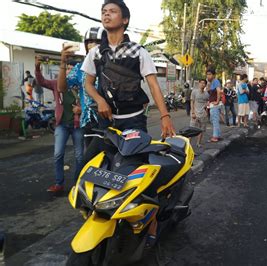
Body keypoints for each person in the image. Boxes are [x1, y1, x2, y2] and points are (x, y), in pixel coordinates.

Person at [81, 0, 175, 163]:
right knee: (87, 166)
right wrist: (100, 100)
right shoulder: (95, 53)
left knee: (135, 169)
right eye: (104, 11)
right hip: (107, 124)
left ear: (125, 20)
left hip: (134, 121)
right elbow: (87, 84)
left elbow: (153, 85)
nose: (106, 14)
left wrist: (164, 116)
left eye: (112, 11)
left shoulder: (138, 51)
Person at [35, 55, 83, 193]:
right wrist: (37, 67)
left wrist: (81, 109)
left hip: (77, 125)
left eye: (71, 69)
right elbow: (41, 81)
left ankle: (78, 184)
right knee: (58, 154)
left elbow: (92, 103)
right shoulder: (57, 83)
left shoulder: (82, 85)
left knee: (80, 155)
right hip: (61, 124)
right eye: (67, 68)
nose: (68, 71)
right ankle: (58, 183)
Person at [190, 79, 209, 147]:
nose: (202, 84)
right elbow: (192, 102)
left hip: (203, 114)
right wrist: (192, 112)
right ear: (199, 84)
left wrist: (206, 110)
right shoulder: (194, 92)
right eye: (201, 83)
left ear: (205, 85)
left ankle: (198, 143)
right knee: (191, 129)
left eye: (204, 83)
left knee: (201, 129)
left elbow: (207, 102)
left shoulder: (206, 94)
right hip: (195, 113)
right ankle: (188, 144)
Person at [206, 68, 222, 142]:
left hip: (215, 105)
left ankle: (215, 137)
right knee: (213, 120)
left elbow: (219, 91)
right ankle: (218, 135)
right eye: (207, 74)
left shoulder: (216, 81)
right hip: (212, 104)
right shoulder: (211, 82)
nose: (208, 76)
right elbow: (209, 93)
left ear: (213, 75)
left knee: (214, 120)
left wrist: (217, 101)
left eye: (210, 74)